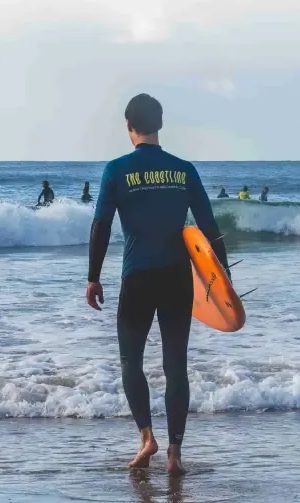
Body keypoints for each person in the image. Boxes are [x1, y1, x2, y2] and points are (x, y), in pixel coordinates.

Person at [86, 93, 229, 476]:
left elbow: (100, 226)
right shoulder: (184, 170)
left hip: (137, 277)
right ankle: (175, 454)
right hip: (176, 278)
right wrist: (223, 279)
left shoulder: (116, 170)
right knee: (176, 366)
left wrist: (93, 277)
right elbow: (209, 229)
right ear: (160, 125)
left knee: (130, 360)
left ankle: (147, 438)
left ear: (129, 127)